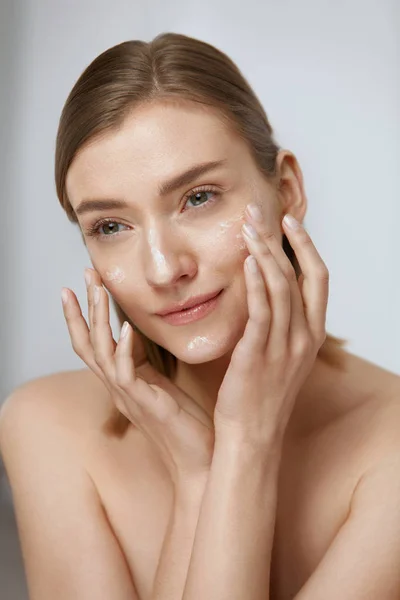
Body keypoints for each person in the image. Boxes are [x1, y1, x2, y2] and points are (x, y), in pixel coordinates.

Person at [1, 32, 400, 600]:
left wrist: (245, 444)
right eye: (111, 226)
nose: (164, 270)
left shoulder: (392, 450)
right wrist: (198, 481)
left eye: (198, 197)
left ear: (285, 190)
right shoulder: (45, 425)